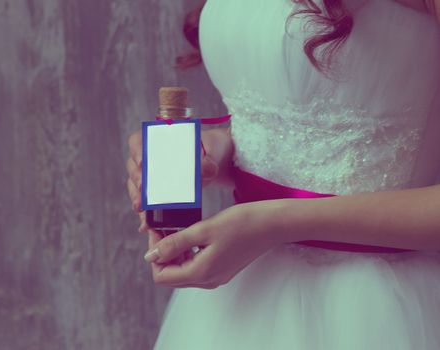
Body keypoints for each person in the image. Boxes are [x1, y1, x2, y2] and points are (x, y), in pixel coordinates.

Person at [126, 0, 440, 348]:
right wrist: (216, 150)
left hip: (376, 309)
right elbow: (304, 112)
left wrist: (277, 223)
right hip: (239, 298)